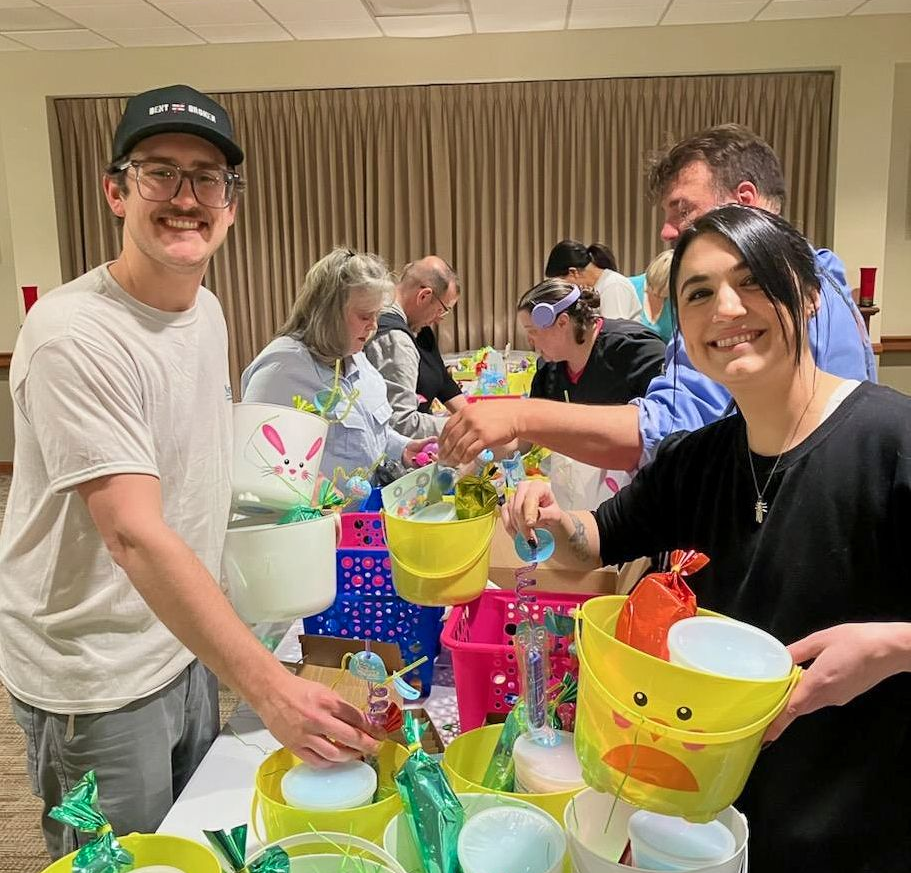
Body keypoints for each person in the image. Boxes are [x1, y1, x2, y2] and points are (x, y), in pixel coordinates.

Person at [0, 85, 381, 858]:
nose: (186, 198)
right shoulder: (74, 334)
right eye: (159, 173)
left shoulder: (204, 311)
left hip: (182, 642)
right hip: (96, 674)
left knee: (193, 840)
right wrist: (271, 689)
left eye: (207, 178)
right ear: (115, 190)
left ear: (231, 203)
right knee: (123, 855)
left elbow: (201, 474)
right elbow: (134, 534)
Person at [502, 205, 911, 873]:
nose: (724, 307)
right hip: (711, 828)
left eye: (750, 281)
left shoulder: (890, 442)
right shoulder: (697, 460)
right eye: (698, 293)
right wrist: (552, 522)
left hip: (862, 831)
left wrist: (890, 647)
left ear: (806, 295)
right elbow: (595, 541)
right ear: (681, 333)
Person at [439, 124, 876, 473]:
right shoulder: (822, 271)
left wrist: (523, 417)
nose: (668, 232)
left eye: (682, 210)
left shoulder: (743, 315)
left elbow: (666, 434)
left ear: (745, 202)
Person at [241, 247, 432, 484]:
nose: (373, 326)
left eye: (376, 315)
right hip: (319, 519)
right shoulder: (281, 369)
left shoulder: (354, 356)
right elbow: (252, 466)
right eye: (364, 316)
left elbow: (369, 435)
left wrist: (403, 449)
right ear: (329, 314)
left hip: (363, 514)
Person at [518, 278, 665, 508]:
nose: (530, 340)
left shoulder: (635, 351)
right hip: (583, 500)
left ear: (562, 323)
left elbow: (667, 427)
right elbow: (524, 438)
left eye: (532, 331)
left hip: (641, 496)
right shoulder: (550, 372)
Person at [364, 255, 467, 438]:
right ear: (424, 296)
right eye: (442, 310)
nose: (439, 319)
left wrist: (470, 417)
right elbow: (400, 422)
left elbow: (442, 379)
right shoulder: (395, 340)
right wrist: (465, 429)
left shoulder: (417, 327)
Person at [545, 239, 642, 322]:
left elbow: (614, 335)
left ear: (573, 272)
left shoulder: (614, 285)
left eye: (562, 282)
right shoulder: (595, 288)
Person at [635, 250, 674, 343]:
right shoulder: (629, 287)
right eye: (654, 291)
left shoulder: (677, 300)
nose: (659, 297)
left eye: (665, 296)